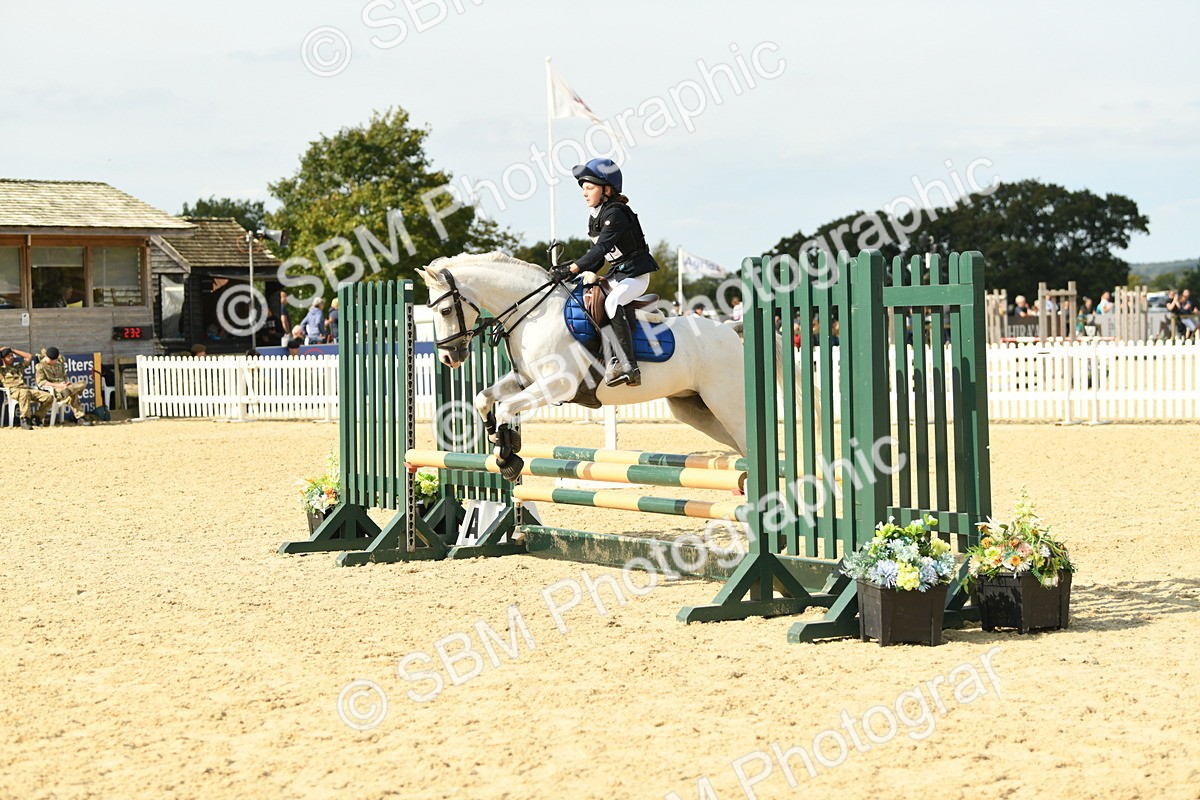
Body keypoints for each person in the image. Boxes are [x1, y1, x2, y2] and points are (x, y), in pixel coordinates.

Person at [554, 158, 659, 388]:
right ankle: (600, 355)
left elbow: (600, 249)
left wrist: (571, 268)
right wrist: (572, 275)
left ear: (607, 190)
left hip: (636, 275)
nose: (584, 193)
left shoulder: (617, 213)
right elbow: (600, 258)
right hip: (618, 274)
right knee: (587, 295)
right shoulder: (596, 217)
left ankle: (629, 366)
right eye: (583, 188)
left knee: (612, 302)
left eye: (590, 187)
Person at [35, 347, 92, 426]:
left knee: (83, 383)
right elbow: (41, 382)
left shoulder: (59, 362)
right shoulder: (40, 366)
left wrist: (66, 383)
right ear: (47, 357)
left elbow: (64, 376)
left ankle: (66, 392)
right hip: (54, 389)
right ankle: (80, 418)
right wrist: (58, 385)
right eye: (52, 360)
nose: (53, 362)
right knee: (73, 395)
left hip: (64, 387)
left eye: (55, 360)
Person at [1, 346, 53, 430]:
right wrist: (1, 351)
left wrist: (13, 350)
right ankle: (25, 420)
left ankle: (36, 417)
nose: (11, 357)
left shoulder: (18, 367)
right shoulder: (1, 371)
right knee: (24, 393)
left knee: (49, 397)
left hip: (26, 389)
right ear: (3, 358)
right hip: (14, 391)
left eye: (12, 356)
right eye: (8, 356)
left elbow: (28, 357)